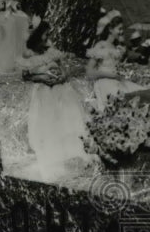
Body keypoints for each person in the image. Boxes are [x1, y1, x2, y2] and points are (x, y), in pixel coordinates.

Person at [19, 21, 99, 178]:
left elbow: (63, 69)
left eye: (49, 35)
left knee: (69, 121)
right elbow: (25, 75)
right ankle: (53, 159)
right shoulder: (29, 54)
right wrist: (42, 77)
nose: (48, 38)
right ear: (38, 36)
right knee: (49, 124)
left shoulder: (52, 51)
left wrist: (62, 76)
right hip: (44, 91)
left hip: (61, 90)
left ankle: (78, 157)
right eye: (45, 35)